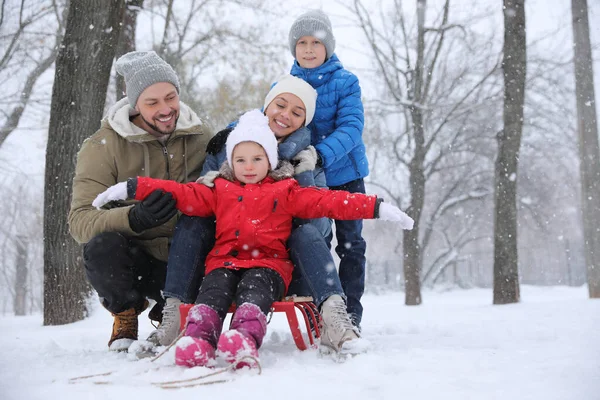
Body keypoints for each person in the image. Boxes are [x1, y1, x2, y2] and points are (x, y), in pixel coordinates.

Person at [92, 109, 414, 368]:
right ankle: (199, 340)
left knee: (254, 291)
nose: (248, 167)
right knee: (213, 290)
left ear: (271, 161)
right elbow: (180, 193)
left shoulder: (286, 191)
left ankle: (244, 338)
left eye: (257, 159)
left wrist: (377, 207)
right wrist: (133, 187)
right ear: (230, 161)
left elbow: (329, 202)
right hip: (225, 262)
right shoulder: (219, 189)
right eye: (241, 159)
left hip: (269, 265)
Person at [148, 74, 369, 356]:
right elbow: (203, 200)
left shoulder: (308, 157)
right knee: (192, 221)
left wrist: (304, 179)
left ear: (304, 121)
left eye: (297, 112)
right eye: (281, 104)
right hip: (227, 257)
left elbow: (321, 227)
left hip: (281, 264)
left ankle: (335, 317)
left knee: (307, 231)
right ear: (267, 106)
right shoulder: (229, 146)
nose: (285, 115)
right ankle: (174, 313)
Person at [67, 51, 212, 351]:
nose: (165, 109)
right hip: (141, 261)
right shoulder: (103, 146)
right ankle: (126, 311)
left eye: (170, 98)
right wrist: (132, 219)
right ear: (134, 103)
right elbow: (80, 221)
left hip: (190, 256)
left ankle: (174, 306)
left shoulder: (200, 135)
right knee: (101, 247)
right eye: (152, 102)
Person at [289, 10, 370, 328]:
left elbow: (352, 128)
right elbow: (272, 120)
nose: (309, 49)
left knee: (350, 246)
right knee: (314, 244)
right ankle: (320, 313)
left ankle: (351, 314)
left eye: (316, 42)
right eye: (302, 43)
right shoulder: (286, 85)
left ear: (328, 46)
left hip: (345, 176)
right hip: (308, 181)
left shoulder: (346, 82)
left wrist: (319, 155)